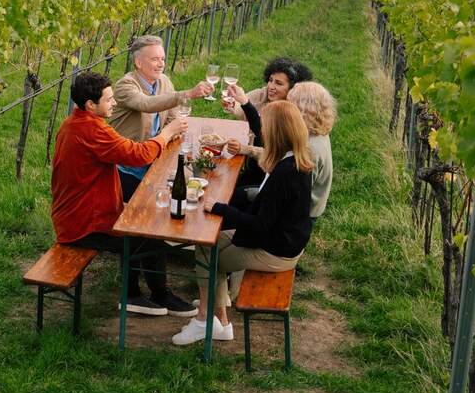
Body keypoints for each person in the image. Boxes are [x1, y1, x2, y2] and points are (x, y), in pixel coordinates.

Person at [52, 71, 196, 317]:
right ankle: (139, 296)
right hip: (83, 225)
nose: (114, 103)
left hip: (79, 213)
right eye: (109, 99)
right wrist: (167, 133)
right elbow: (137, 155)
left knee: (142, 228)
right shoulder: (91, 130)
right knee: (147, 237)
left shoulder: (76, 122)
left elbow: (125, 150)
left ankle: (144, 294)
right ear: (90, 104)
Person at [172, 100, 314, 345]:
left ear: (277, 131)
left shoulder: (284, 173)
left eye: (265, 126)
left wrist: (220, 207)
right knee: (209, 241)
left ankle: (204, 321)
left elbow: (260, 225)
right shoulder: (297, 160)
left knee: (206, 252)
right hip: (286, 240)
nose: (261, 132)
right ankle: (221, 324)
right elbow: (268, 205)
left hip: (276, 252)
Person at [107, 35, 211, 311]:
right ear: (138, 62)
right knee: (142, 225)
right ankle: (140, 293)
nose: (161, 63)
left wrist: (179, 126)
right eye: (155, 59)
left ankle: (153, 291)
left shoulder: (163, 82)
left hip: (151, 161)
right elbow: (146, 105)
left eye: (163, 58)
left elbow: (172, 115)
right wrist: (185, 94)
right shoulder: (125, 86)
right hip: (123, 168)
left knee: (153, 222)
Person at [222, 56, 313, 148]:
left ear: (292, 88)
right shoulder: (263, 94)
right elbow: (242, 105)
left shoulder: (295, 110)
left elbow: (269, 139)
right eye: (270, 80)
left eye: (278, 83)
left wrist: (245, 103)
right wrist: (233, 105)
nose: (271, 86)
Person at [287, 81, 336, 225]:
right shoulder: (316, 132)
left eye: (289, 105)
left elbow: (292, 199)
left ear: (302, 110)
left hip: (299, 216)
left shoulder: (308, 149)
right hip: (306, 207)